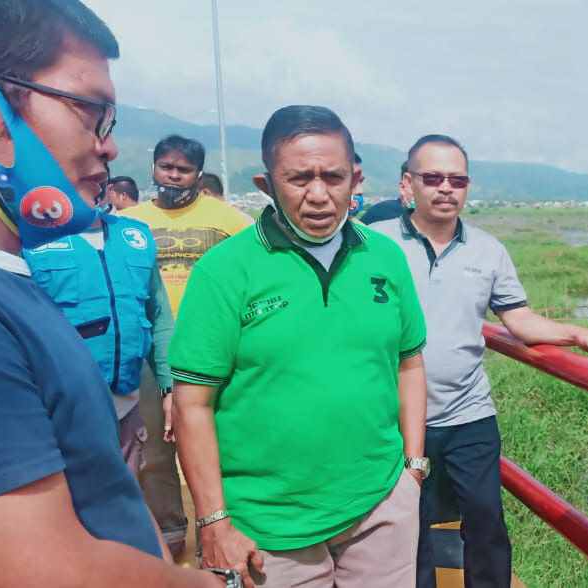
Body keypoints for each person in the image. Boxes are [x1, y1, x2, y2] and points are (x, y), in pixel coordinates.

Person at [0, 1, 231, 586]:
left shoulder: (23, 277)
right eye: (91, 111)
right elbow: (50, 569)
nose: (107, 147)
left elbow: (104, 490)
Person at [171, 105, 429, 588]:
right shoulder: (225, 271)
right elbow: (193, 404)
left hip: (380, 504)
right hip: (267, 527)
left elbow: (409, 363)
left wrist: (412, 470)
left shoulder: (385, 257)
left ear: (355, 179)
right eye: (298, 179)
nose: (317, 195)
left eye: (332, 177)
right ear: (266, 184)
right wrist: (212, 522)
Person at [371, 134, 588, 587]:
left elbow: (517, 319)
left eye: (457, 179)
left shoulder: (488, 250)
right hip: (393, 416)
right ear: (408, 184)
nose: (445, 188)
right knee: (409, 529)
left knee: (485, 525)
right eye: (433, 178)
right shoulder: (374, 246)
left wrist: (576, 333)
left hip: (469, 415)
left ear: (467, 187)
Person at [120, 133, 253, 557]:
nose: (172, 177)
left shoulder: (230, 221)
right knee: (156, 452)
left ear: (198, 174)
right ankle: (172, 538)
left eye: (183, 170)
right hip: (151, 354)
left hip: (215, 350)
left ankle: (220, 531)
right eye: (166, 168)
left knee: (217, 443)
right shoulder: (132, 225)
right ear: (153, 168)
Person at [23, 191, 174, 479]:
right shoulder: (29, 238)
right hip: (60, 413)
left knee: (126, 502)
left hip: (126, 406)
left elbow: (158, 317)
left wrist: (169, 387)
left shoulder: (135, 237)